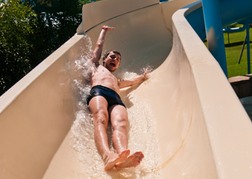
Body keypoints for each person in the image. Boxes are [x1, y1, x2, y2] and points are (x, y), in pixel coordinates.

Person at [86, 25, 148, 171]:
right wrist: (103, 30)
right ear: (104, 59)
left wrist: (144, 77)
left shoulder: (117, 80)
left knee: (121, 124)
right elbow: (99, 45)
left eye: (118, 59)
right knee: (101, 118)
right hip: (99, 91)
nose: (115, 59)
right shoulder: (95, 67)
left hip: (116, 98)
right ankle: (108, 156)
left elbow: (132, 82)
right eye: (112, 56)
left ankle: (122, 156)